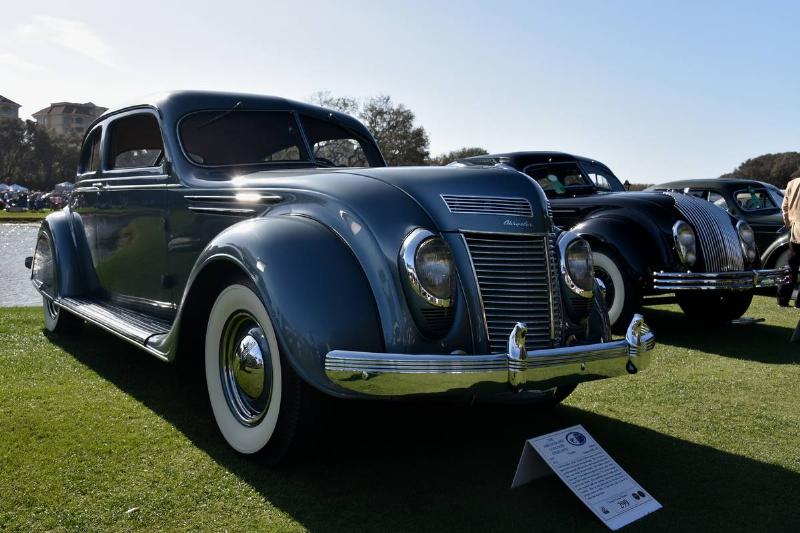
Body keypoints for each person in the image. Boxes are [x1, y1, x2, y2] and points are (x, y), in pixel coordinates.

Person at [778, 176, 800, 307]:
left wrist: (789, 225)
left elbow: (784, 207)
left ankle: (783, 299)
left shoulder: (792, 183)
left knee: (791, 267)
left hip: (795, 231)